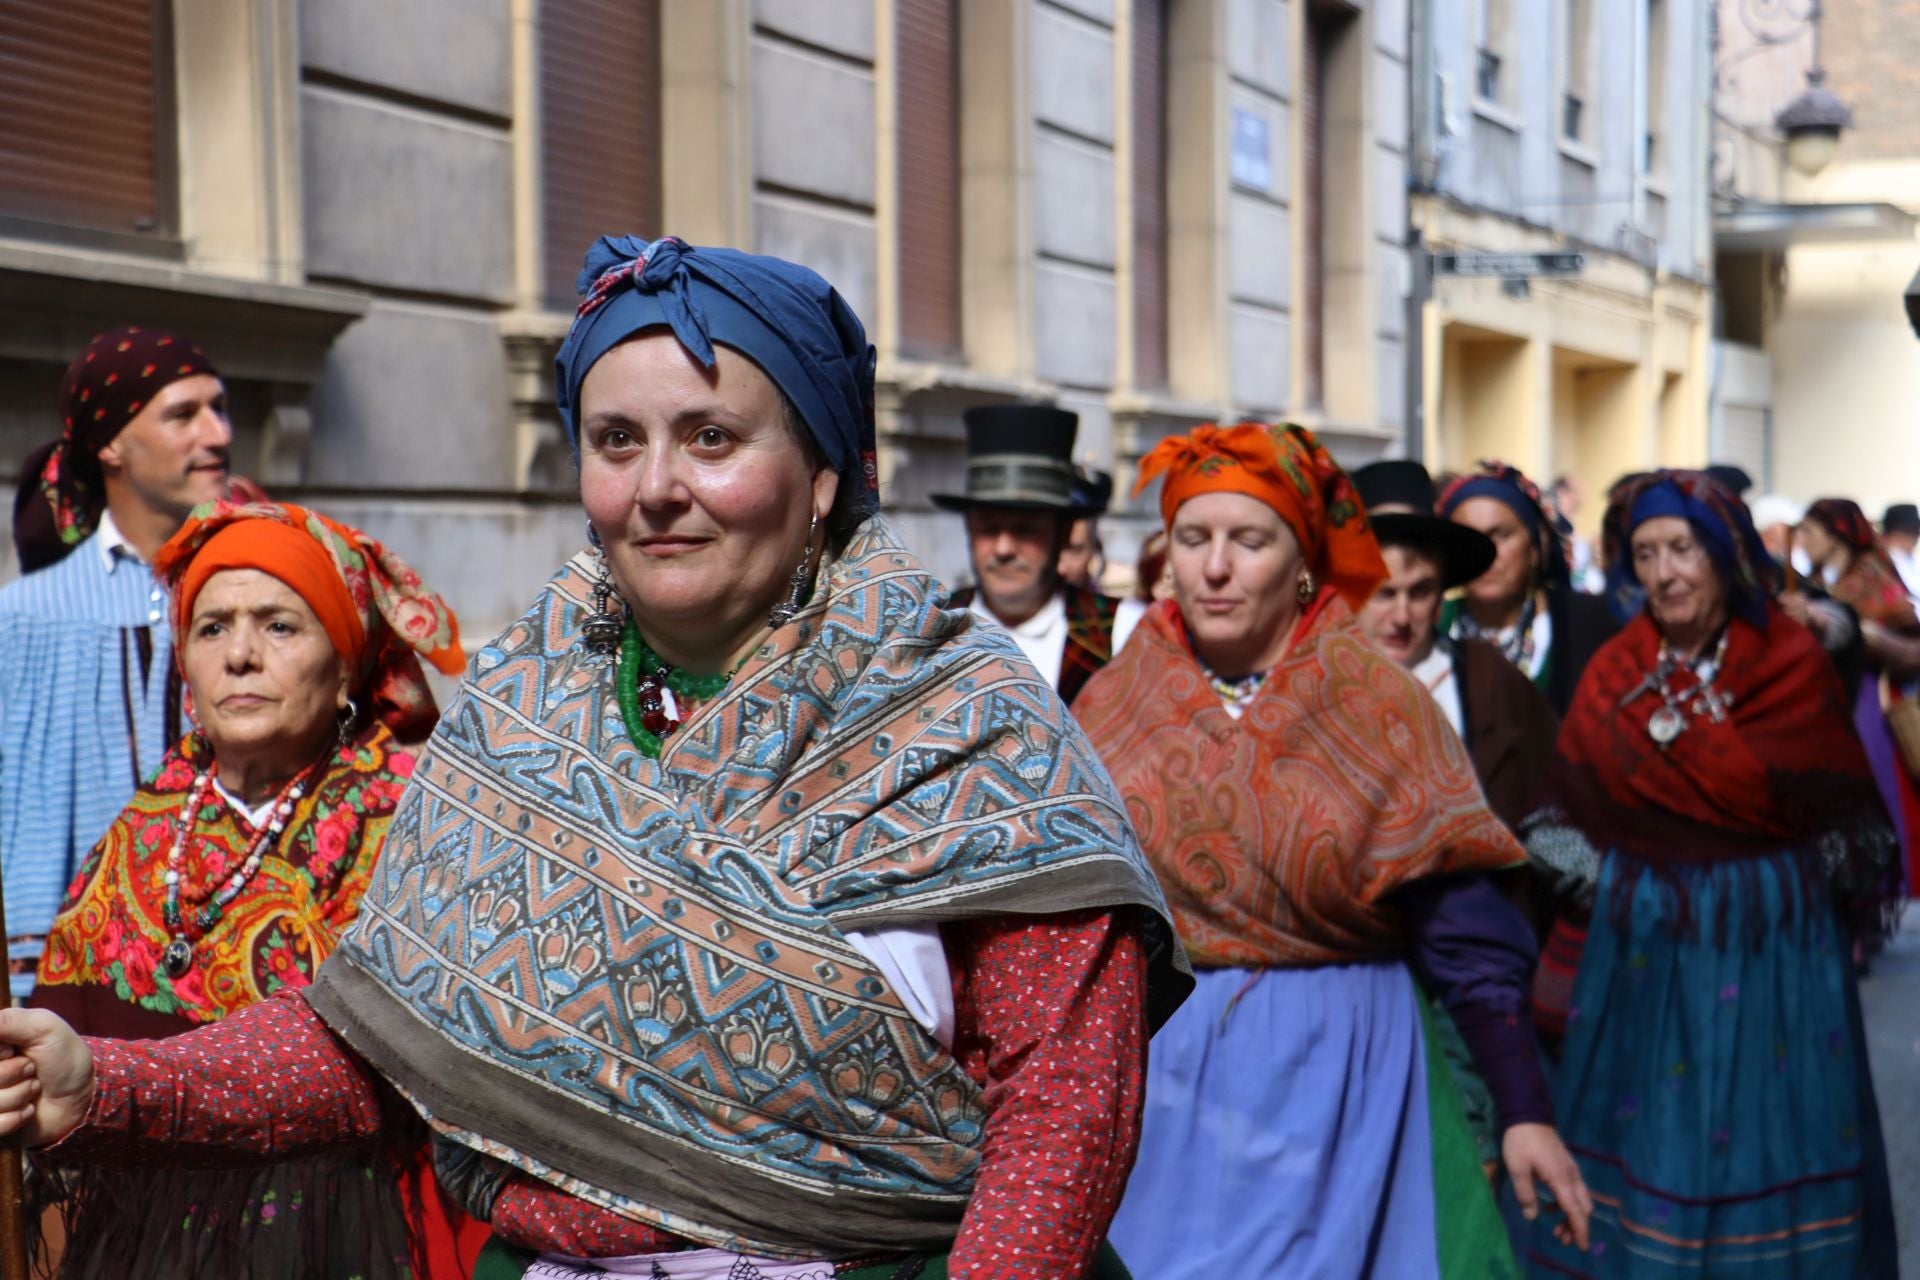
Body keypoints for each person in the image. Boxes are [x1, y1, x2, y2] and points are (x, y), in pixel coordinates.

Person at [0, 236, 1191, 1279]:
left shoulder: (965, 719)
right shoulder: (517, 714)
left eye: (712, 436)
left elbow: (1063, 1111)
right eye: (617, 440)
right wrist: (107, 1083)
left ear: (825, 475)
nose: (659, 488)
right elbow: (380, 1038)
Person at [1078, 422, 1589, 1278]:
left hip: (1343, 1069)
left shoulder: (1379, 704)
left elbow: (1465, 934)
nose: (1215, 567)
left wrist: (1524, 1107)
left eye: (1249, 541)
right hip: (1164, 1078)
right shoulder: (1110, 699)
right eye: (1194, 539)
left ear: (1303, 558)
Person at [29, 499, 469, 1276]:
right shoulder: (146, 825)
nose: (240, 655)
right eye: (213, 626)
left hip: (352, 1229)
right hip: (144, 1230)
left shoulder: (414, 821)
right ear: (187, 669)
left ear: (344, 668)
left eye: (279, 625)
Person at [1520, 471, 1898, 1276]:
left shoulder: (1790, 664)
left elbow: (1856, 834)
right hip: (1645, 964)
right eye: (1645, 554)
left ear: (1725, 555)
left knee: (1771, 1137)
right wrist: (1627, 883)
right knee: (1654, 1138)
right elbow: (1553, 823)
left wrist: (1766, 885)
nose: (1663, 574)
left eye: (1683, 550)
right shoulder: (1617, 671)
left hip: (1777, 966)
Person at [0, 328, 234, 999]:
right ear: (109, 445)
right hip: (77, 993)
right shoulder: (27, 617)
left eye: (219, 408)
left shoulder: (255, 591)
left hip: (232, 973)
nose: (216, 434)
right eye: (183, 414)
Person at [1356, 460, 1559, 829]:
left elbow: (1554, 797)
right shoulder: (1313, 683)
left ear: (1440, 594)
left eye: (1419, 592)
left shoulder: (1490, 678)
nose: (1401, 616)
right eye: (1385, 594)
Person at [934, 406, 1145, 703]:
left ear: (1062, 533)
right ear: (969, 528)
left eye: (1024, 530)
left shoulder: (1124, 633)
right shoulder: (933, 628)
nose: (1003, 549)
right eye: (989, 529)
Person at [1797, 498, 1920, 891]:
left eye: (1810, 532)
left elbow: (1911, 646)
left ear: (1837, 537)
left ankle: (1886, 887)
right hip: (1825, 707)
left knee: (1877, 797)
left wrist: (1858, 633)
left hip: (1868, 705)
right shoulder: (1813, 585)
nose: (1802, 540)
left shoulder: (1871, 580)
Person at [1439, 462, 1617, 715]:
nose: (1485, 552)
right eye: (1466, 537)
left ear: (1534, 548)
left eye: (1499, 535)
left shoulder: (1590, 624)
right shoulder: (1428, 626)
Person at [1058, 467, 1113, 589]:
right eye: (1053, 549)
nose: (1061, 568)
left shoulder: (1115, 608)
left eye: (1075, 551)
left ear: (1095, 547)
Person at [1883, 502, 1920, 598]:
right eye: (1907, 532)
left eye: (1916, 531)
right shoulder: (1884, 562)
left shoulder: (1913, 560)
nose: (1914, 537)